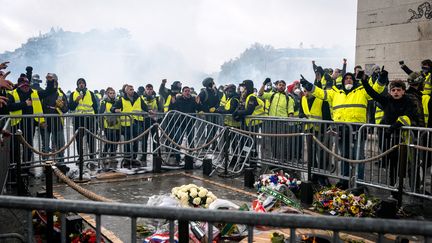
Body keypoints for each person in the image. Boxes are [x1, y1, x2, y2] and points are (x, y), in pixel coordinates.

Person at [301, 68, 387, 188]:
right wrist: (309, 86)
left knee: (359, 158)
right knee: (344, 156)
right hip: (341, 130)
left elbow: (376, 89)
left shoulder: (362, 91)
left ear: (354, 81)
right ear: (343, 81)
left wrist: (382, 79)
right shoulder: (335, 92)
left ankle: (360, 183)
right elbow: (321, 93)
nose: (348, 80)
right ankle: (344, 181)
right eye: (346, 78)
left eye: (350, 78)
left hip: (358, 130)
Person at [8, 75, 56, 176]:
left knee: (28, 148)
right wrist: (24, 104)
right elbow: (9, 107)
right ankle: (13, 170)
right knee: (14, 149)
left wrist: (50, 81)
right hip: (16, 125)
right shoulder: (12, 94)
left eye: (27, 85)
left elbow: (48, 92)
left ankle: (26, 168)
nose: (26, 87)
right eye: (23, 85)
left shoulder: (34, 93)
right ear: (19, 86)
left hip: (30, 125)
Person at [111, 84, 148, 167]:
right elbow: (112, 108)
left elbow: (145, 107)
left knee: (135, 142)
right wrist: (115, 109)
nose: (132, 90)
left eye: (133, 89)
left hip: (137, 122)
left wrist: (149, 110)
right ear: (126, 91)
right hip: (126, 124)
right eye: (130, 89)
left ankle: (134, 158)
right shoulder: (122, 100)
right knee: (127, 142)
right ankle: (127, 159)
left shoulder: (139, 98)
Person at [40, 73, 69, 173]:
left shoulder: (61, 93)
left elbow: (66, 109)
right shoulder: (43, 93)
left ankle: (61, 164)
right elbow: (39, 108)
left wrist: (61, 106)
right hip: (45, 123)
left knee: (60, 145)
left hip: (58, 123)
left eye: (51, 79)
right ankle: (45, 166)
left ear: (56, 81)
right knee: (45, 146)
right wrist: (41, 121)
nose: (49, 81)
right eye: (48, 79)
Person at [69, 78, 99, 169]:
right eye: (79, 83)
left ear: (85, 84)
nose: (81, 84)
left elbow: (95, 107)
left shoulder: (90, 93)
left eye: (83, 83)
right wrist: (77, 100)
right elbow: (71, 107)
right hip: (78, 120)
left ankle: (92, 157)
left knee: (91, 139)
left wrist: (96, 119)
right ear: (77, 85)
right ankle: (80, 157)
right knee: (79, 140)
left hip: (90, 119)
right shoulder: (73, 94)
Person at [169, 86, 199, 163]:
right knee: (178, 140)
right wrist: (172, 101)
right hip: (180, 123)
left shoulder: (193, 100)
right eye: (185, 91)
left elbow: (198, 108)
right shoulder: (179, 100)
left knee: (191, 141)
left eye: (188, 91)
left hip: (190, 123)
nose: (187, 92)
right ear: (182, 92)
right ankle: (177, 157)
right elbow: (172, 108)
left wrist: (198, 103)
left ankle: (191, 157)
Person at [99, 87, 120, 170]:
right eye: (110, 93)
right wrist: (101, 126)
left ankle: (112, 157)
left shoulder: (117, 101)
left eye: (113, 93)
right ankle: (103, 156)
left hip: (117, 125)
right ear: (107, 94)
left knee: (116, 141)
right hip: (108, 125)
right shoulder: (104, 102)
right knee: (109, 141)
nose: (112, 94)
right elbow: (100, 113)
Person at [141, 84, 163, 163]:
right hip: (145, 121)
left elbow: (161, 109)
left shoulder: (157, 99)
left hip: (154, 120)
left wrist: (158, 117)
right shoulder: (141, 98)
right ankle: (144, 155)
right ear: (145, 90)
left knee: (155, 138)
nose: (149, 91)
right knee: (144, 139)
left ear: (153, 89)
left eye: (151, 89)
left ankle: (155, 153)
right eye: (148, 89)